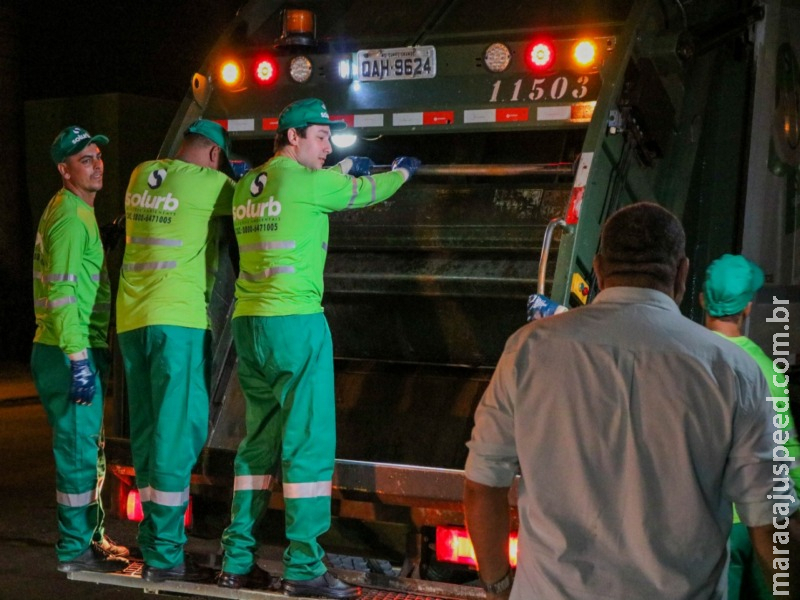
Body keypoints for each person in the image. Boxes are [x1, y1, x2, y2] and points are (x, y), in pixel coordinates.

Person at [463, 202, 800, 599]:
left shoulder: (529, 349)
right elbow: (772, 523)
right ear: (681, 272)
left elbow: (482, 488)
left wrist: (499, 586)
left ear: (600, 268)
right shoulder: (737, 370)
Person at [217, 97, 420, 598]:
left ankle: (236, 558)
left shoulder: (250, 185)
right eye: (322, 138)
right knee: (307, 446)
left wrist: (343, 165)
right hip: (296, 325)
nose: (329, 147)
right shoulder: (310, 184)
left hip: (250, 326)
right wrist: (401, 173)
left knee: (258, 444)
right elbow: (364, 191)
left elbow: (314, 187)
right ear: (292, 137)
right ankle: (305, 567)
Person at [115, 119, 235, 583]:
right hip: (177, 322)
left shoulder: (141, 173)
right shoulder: (212, 183)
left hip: (132, 321)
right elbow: (255, 200)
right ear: (213, 156)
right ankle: (166, 555)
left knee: (147, 431)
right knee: (177, 430)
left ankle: (153, 545)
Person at [31, 126, 130, 573]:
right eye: (84, 160)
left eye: (96, 156)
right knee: (76, 450)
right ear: (63, 170)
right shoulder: (71, 218)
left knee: (89, 450)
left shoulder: (75, 211)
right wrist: (78, 361)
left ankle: (91, 535)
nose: (96, 165)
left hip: (75, 347)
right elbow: (63, 294)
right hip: (67, 350)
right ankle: (74, 549)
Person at [701, 253, 800, 599]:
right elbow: (786, 452)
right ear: (747, 307)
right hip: (756, 523)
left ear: (701, 299)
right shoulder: (765, 371)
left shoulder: (685, 362)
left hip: (704, 523)